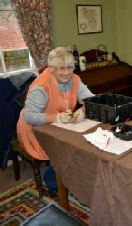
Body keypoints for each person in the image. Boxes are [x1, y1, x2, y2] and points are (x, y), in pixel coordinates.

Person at [17, 47, 95, 196]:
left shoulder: (75, 79)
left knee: (78, 143)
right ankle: (53, 183)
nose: (67, 72)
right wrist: (57, 117)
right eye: (61, 68)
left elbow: (91, 99)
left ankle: (71, 178)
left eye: (70, 67)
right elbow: (29, 116)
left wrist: (82, 110)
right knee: (61, 149)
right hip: (35, 127)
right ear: (52, 69)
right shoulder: (41, 86)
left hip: (61, 124)